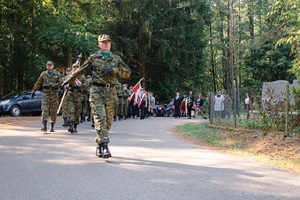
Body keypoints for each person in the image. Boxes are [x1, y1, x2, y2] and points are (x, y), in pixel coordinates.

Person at [62, 34, 131, 158]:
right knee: (100, 119)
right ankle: (105, 146)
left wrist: (114, 70)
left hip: (110, 93)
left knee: (108, 122)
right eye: (103, 42)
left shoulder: (116, 58)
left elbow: (127, 73)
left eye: (108, 42)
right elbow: (81, 70)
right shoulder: (93, 57)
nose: (106, 44)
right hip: (97, 92)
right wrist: (67, 80)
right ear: (99, 44)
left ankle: (99, 144)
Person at [31, 61, 62, 133]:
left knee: (53, 111)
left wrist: (52, 85)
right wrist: (33, 91)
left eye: (50, 65)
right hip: (46, 94)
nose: (49, 67)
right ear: (46, 66)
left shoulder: (57, 74)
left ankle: (52, 125)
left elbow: (61, 84)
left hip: (54, 95)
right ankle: (44, 125)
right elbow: (38, 83)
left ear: (53, 66)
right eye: (48, 65)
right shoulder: (43, 74)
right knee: (44, 109)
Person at [66, 63, 87, 133]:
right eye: (74, 67)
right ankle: (71, 125)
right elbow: (63, 82)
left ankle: (75, 125)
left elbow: (86, 85)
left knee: (77, 111)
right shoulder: (70, 76)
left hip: (78, 95)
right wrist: (66, 86)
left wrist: (79, 86)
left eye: (77, 67)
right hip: (70, 94)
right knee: (70, 110)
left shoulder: (82, 76)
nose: (75, 68)